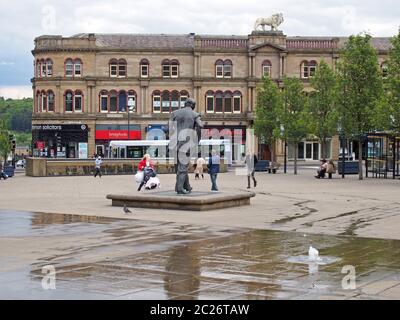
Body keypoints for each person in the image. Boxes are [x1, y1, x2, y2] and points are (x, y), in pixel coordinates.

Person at [169, 98, 204, 194]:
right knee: (183, 167)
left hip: (174, 142)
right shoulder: (194, 114)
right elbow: (200, 126)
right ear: (192, 105)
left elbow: (169, 127)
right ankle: (180, 189)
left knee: (179, 167)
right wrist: (197, 139)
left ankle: (186, 186)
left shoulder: (175, 113)